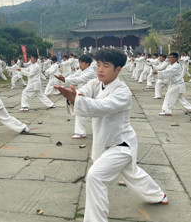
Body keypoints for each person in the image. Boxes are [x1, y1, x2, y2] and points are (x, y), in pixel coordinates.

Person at [55, 49, 168, 222]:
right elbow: (83, 93)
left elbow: (101, 107)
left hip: (121, 145)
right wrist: (74, 97)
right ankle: (158, 195)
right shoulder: (95, 83)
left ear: (118, 69)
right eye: (98, 65)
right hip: (105, 142)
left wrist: (76, 100)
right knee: (133, 173)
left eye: (106, 66)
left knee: (95, 176)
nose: (100, 69)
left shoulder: (122, 92)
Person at [55, 54, 97, 139]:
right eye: (79, 62)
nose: (80, 64)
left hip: (92, 95)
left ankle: (81, 133)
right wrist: (64, 78)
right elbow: (74, 76)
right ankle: (81, 132)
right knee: (80, 112)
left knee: (88, 113)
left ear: (87, 63)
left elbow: (79, 79)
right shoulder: (82, 70)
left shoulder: (90, 72)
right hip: (83, 93)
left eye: (81, 62)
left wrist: (65, 80)